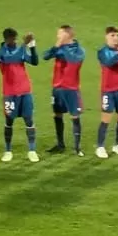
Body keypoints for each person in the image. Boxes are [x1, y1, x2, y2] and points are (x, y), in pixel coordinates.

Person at [0, 29, 39, 162]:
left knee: (29, 120)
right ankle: (8, 151)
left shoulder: (20, 50)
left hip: (25, 90)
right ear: (6, 39)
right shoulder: (1, 52)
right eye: (12, 39)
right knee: (9, 121)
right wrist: (23, 45)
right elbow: (11, 59)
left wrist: (32, 47)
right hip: (9, 92)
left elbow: (34, 61)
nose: (14, 42)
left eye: (15, 39)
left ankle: (32, 150)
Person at [46, 25, 87, 155]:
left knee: (74, 116)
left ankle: (77, 147)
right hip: (57, 88)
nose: (58, 37)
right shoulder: (59, 48)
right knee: (57, 114)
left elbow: (73, 60)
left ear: (67, 35)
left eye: (60, 34)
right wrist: (56, 46)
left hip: (71, 88)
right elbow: (45, 56)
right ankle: (60, 144)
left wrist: (64, 49)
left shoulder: (79, 50)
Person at [96, 26, 118, 158]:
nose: (116, 38)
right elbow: (108, 63)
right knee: (106, 118)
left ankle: (117, 145)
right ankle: (100, 147)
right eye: (112, 35)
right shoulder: (102, 51)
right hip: (108, 91)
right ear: (106, 37)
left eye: (117, 35)